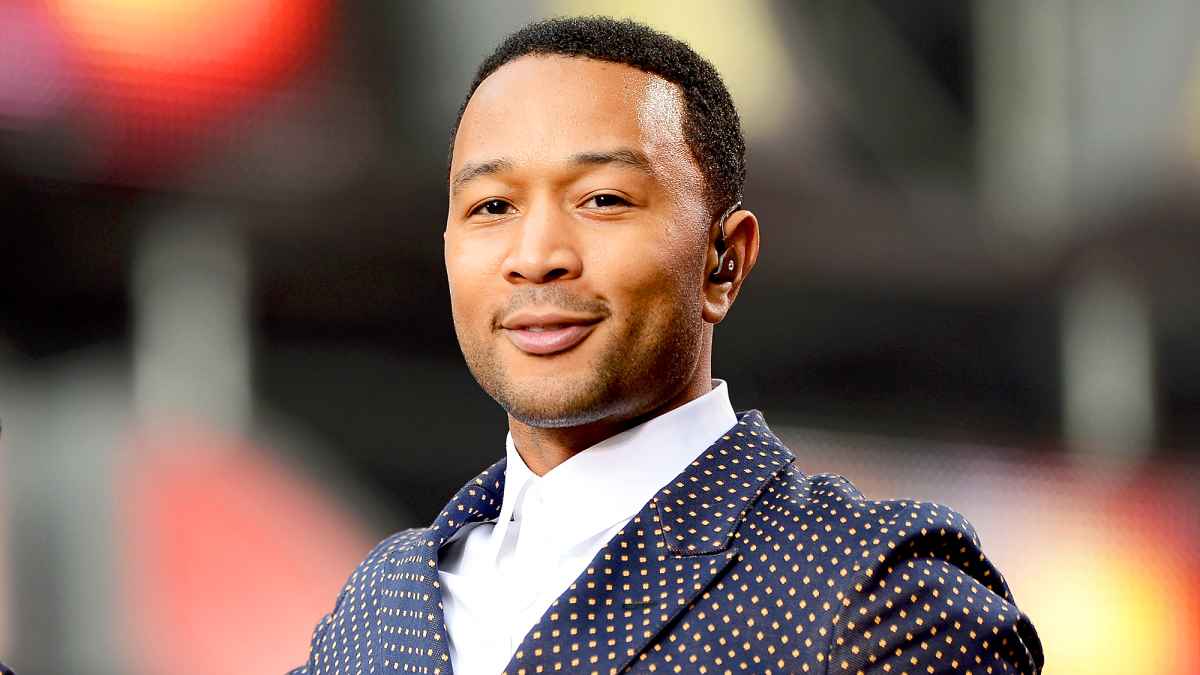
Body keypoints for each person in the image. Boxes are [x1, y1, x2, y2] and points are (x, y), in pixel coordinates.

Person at [291, 16, 1043, 675]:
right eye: (492, 205)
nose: (537, 253)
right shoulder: (381, 607)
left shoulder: (869, 590)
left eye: (603, 200)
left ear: (725, 261)